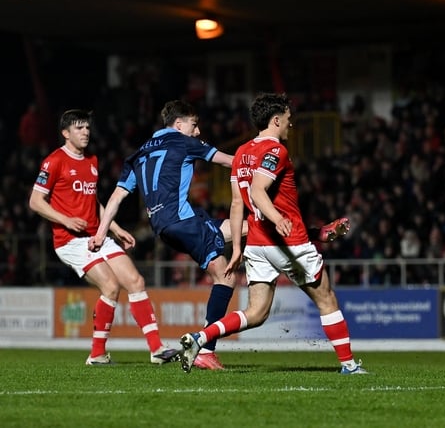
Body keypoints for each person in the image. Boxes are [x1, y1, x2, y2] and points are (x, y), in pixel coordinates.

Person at [178, 92, 367, 375]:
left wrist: (239, 249)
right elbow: (257, 191)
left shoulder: (241, 152)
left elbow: (237, 203)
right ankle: (349, 366)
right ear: (276, 120)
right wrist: (278, 218)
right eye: (289, 120)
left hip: (257, 245)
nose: (291, 126)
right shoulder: (276, 151)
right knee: (326, 299)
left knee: (256, 313)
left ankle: (201, 339)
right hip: (288, 244)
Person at [90, 100, 240, 370]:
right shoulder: (184, 142)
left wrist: (101, 233)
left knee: (243, 227)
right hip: (183, 221)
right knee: (226, 277)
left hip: (163, 227)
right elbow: (231, 162)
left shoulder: (137, 154)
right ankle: (206, 348)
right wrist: (264, 163)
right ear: (179, 124)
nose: (196, 132)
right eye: (193, 125)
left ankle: (302, 236)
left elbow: (115, 197)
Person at [29, 109, 179, 365]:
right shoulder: (54, 161)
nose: (85, 132)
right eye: (79, 128)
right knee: (110, 285)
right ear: (66, 133)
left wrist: (115, 228)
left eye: (87, 127)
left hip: (96, 236)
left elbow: (92, 200)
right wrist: (65, 220)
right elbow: (35, 201)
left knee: (136, 280)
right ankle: (97, 352)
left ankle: (156, 349)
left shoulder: (92, 160)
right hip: (69, 242)